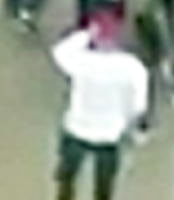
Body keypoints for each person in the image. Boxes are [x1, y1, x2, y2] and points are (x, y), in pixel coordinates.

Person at [44, 10, 150, 200]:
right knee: (104, 185)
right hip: (110, 133)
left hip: (77, 127)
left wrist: (86, 34)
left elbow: (59, 52)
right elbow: (138, 106)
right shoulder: (132, 67)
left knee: (67, 177)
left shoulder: (82, 60)